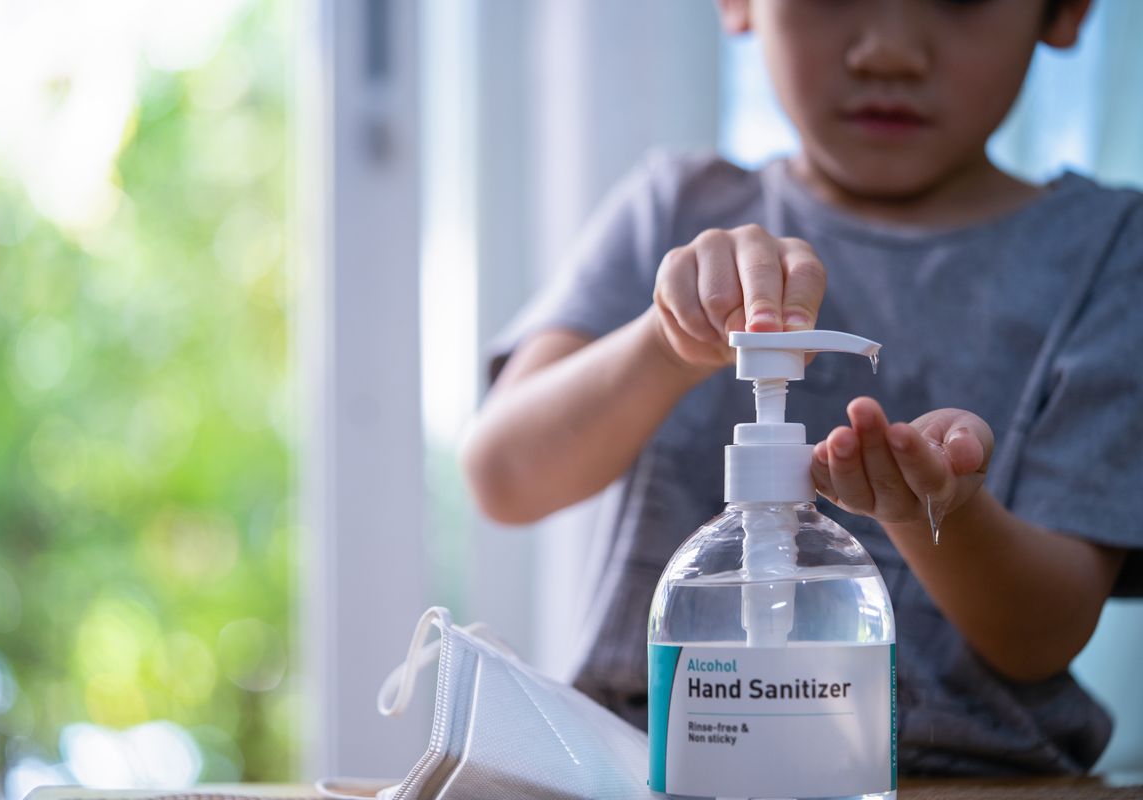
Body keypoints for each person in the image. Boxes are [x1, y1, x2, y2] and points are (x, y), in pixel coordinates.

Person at [461, 0, 1142, 776]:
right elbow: (503, 476)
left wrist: (940, 512)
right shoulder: (675, 213)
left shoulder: (1108, 256)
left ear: (1065, 13)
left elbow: (1043, 632)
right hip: (657, 766)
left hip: (964, 781)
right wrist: (667, 342)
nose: (888, 52)